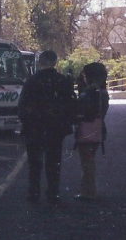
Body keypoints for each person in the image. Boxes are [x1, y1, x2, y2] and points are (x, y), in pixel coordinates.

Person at [18, 50, 76, 203]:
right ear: (55, 62)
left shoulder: (32, 81)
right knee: (53, 162)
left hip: (34, 128)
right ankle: (53, 193)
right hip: (55, 129)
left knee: (34, 163)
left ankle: (34, 193)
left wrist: (27, 122)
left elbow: (22, 106)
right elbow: (71, 106)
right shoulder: (62, 81)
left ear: (40, 62)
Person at [73, 62, 109, 201]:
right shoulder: (103, 92)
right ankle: (86, 189)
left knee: (86, 162)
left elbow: (82, 112)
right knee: (89, 160)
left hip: (87, 129)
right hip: (99, 128)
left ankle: (88, 191)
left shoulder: (89, 92)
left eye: (84, 75)